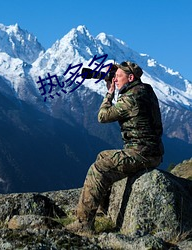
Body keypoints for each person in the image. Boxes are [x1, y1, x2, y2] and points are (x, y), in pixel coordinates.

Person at [66, 61, 164, 233]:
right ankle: (103, 209)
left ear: (131, 77)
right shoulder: (145, 90)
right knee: (103, 156)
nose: (115, 79)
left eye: (119, 76)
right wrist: (114, 80)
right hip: (151, 151)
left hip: (141, 153)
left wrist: (109, 93)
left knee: (99, 168)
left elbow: (103, 117)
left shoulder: (131, 99)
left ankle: (83, 224)